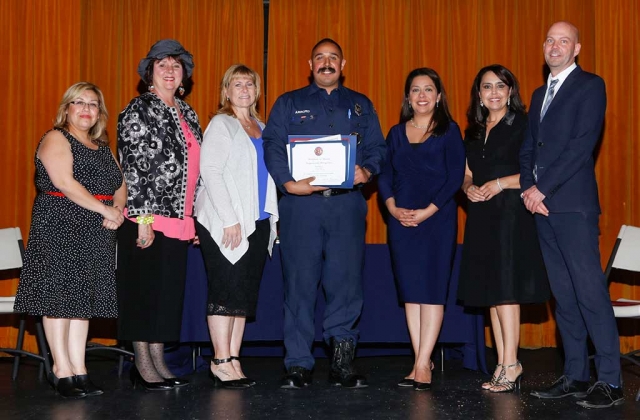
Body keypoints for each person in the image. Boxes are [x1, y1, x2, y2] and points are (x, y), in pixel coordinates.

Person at [263, 38, 386, 389]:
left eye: (333, 58)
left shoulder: (361, 105)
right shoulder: (289, 103)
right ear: (310, 63)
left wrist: (368, 170)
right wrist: (287, 182)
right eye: (320, 58)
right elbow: (272, 145)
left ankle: (342, 364)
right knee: (299, 285)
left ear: (343, 65)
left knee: (345, 286)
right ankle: (298, 364)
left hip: (346, 206)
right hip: (300, 207)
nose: (327, 63)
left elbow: (378, 148)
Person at [520, 22, 623, 408]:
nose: (555, 46)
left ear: (576, 48)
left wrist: (541, 189)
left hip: (573, 206)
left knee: (590, 293)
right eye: (549, 39)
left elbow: (582, 146)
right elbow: (530, 147)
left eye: (564, 40)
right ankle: (576, 375)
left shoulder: (590, 85)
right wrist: (531, 191)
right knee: (563, 297)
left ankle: (610, 381)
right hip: (542, 207)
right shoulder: (537, 93)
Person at [14, 82, 126, 398]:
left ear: (99, 113)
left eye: (93, 104)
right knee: (59, 298)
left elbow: (120, 185)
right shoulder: (55, 138)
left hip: (96, 230)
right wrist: (105, 208)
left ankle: (80, 369)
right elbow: (65, 182)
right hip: (59, 225)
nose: (86, 109)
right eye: (79, 103)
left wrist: (116, 210)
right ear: (67, 109)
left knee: (82, 301)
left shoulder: (102, 146)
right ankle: (61, 370)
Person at [457, 65, 549, 393]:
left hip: (511, 212)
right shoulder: (474, 130)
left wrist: (497, 183)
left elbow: (537, 171)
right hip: (481, 212)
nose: (493, 92)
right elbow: (467, 172)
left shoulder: (524, 124)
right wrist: (468, 186)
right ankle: (502, 362)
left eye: (500, 85)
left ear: (511, 90)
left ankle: (512, 362)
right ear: (478, 94)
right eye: (486, 87)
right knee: (491, 291)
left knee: (506, 288)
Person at [117, 39, 202, 391]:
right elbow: (133, 167)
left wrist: (194, 217)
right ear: (149, 73)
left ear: (183, 75)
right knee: (144, 292)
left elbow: (196, 171)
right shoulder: (139, 108)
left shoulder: (189, 113)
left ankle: (157, 362)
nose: (169, 70)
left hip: (179, 220)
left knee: (166, 296)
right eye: (162, 64)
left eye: (176, 65)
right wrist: (144, 220)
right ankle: (143, 366)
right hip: (147, 218)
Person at [378, 68, 465, 391]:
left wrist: (427, 212)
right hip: (400, 220)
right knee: (411, 293)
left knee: (431, 291)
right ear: (408, 98)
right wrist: (391, 208)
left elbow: (454, 177)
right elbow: (384, 175)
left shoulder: (449, 131)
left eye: (429, 89)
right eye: (416, 90)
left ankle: (422, 362)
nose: (423, 96)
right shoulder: (396, 133)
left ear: (439, 96)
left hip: (437, 220)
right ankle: (420, 360)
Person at [194, 64, 279, 389]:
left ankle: (234, 358)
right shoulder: (222, 123)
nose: (244, 89)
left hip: (256, 222)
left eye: (250, 84)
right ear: (226, 90)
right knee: (224, 291)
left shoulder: (262, 126)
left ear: (257, 91)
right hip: (225, 221)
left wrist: (273, 220)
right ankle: (220, 359)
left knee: (242, 295)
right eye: (237, 84)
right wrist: (229, 219)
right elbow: (211, 171)